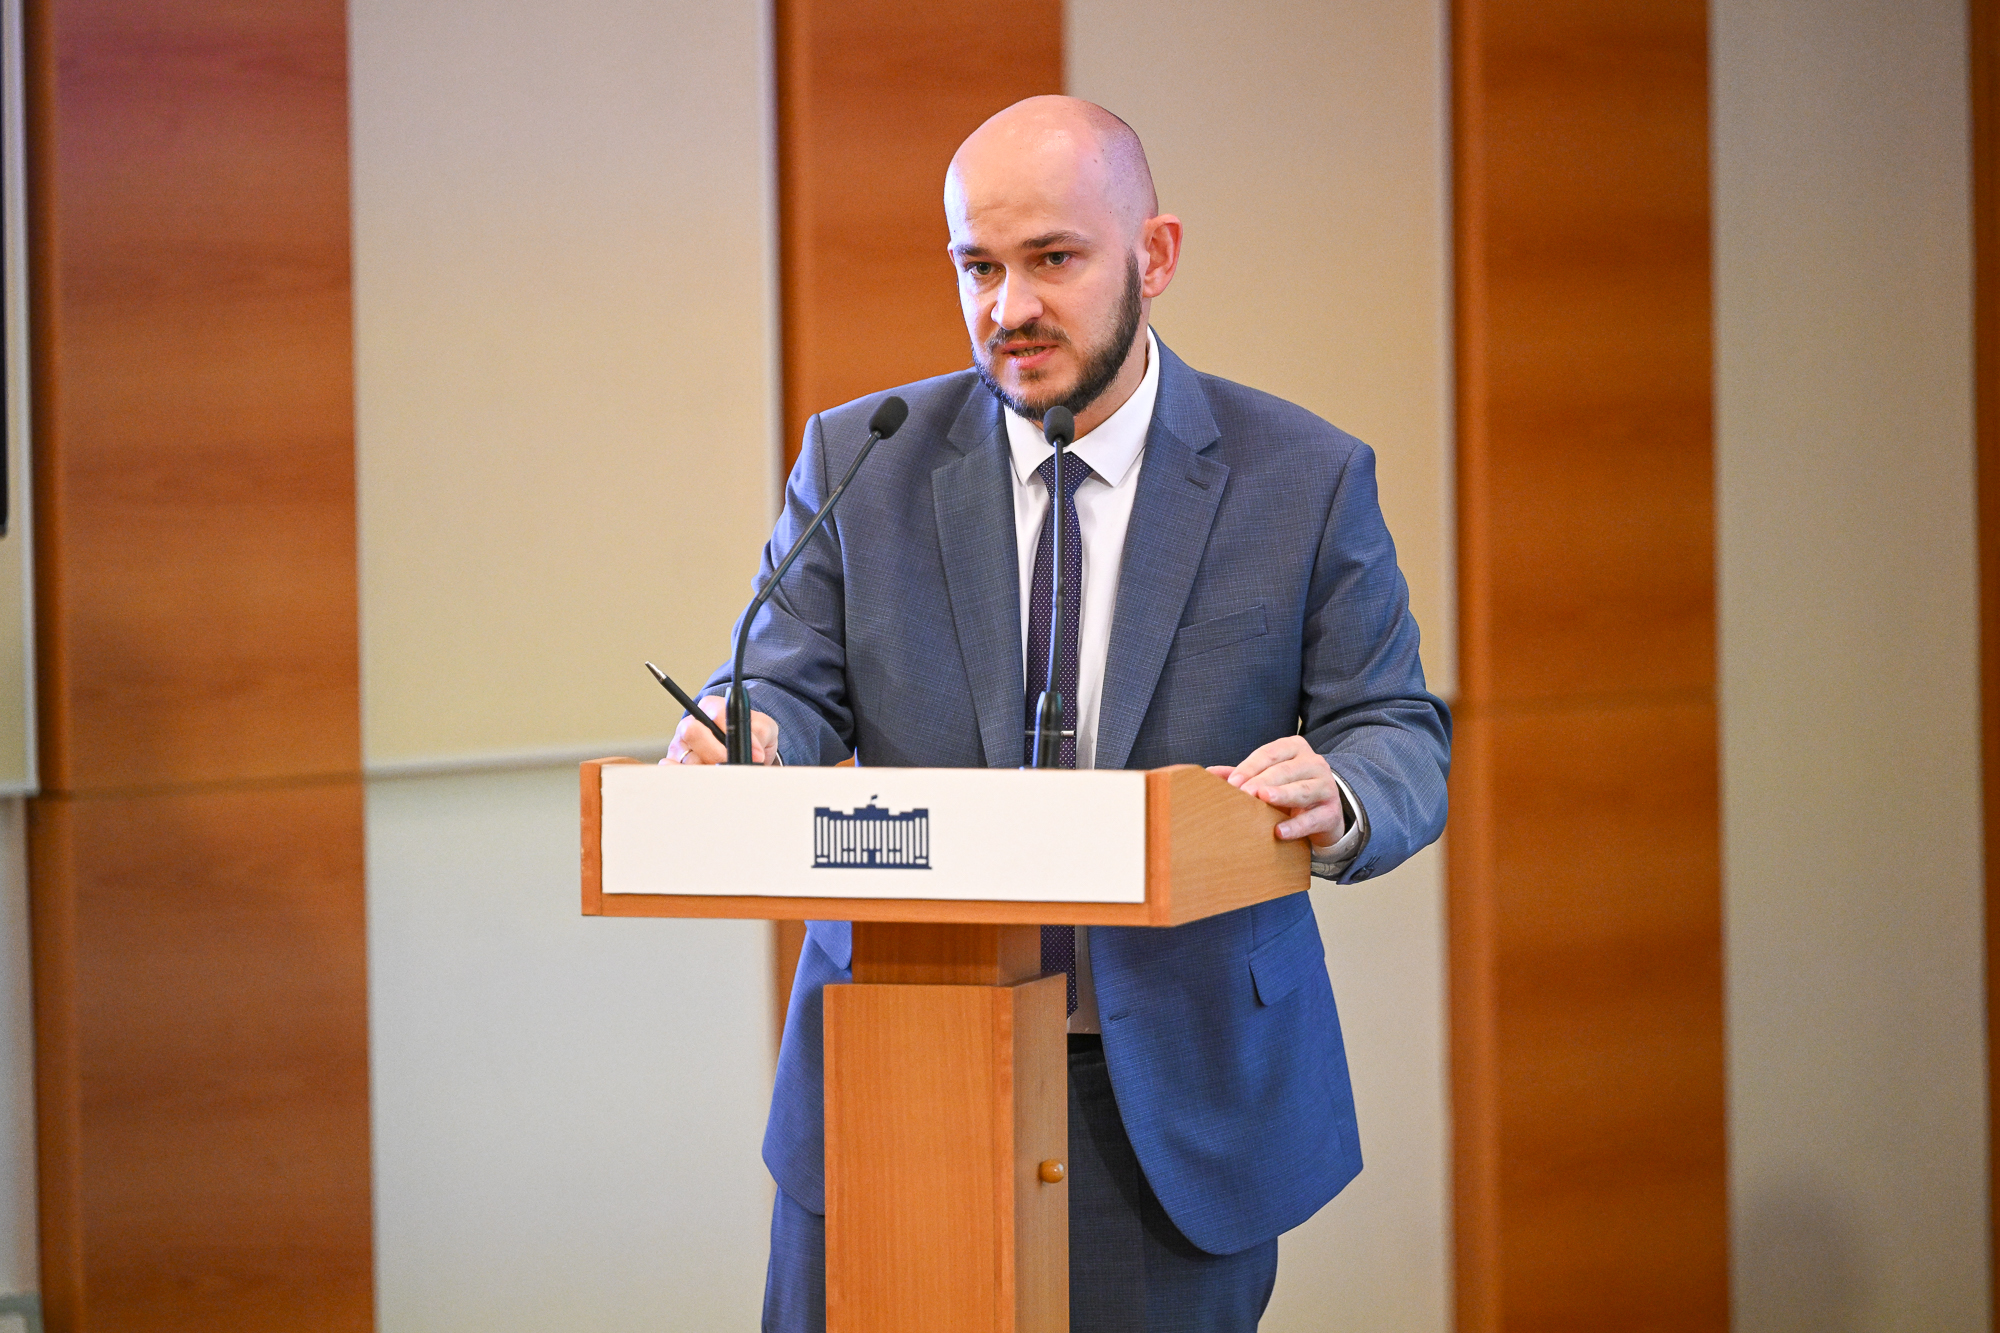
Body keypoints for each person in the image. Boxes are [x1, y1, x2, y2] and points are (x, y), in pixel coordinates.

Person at [670, 95, 1450, 1333]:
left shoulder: (1300, 478)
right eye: (977, 266)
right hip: (896, 1072)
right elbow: (784, 687)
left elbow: (1395, 728)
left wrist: (1343, 790)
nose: (1008, 307)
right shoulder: (862, 458)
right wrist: (748, 733)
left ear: (1154, 255)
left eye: (1051, 259)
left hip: (1167, 1103)